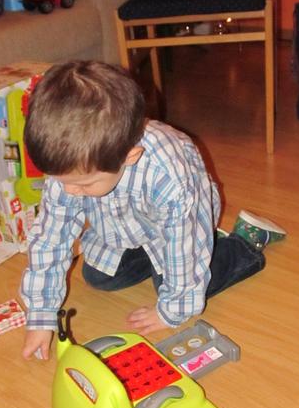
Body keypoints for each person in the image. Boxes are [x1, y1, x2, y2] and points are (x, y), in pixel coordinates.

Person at [19, 60, 285, 360]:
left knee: (179, 288)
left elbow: (185, 249)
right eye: (61, 181)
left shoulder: (169, 175)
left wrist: (170, 311)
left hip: (182, 225)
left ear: (129, 157)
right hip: (126, 225)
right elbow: (50, 239)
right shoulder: (73, 169)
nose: (69, 192)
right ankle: (162, 260)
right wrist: (40, 315)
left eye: (83, 184)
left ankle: (244, 242)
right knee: (98, 277)